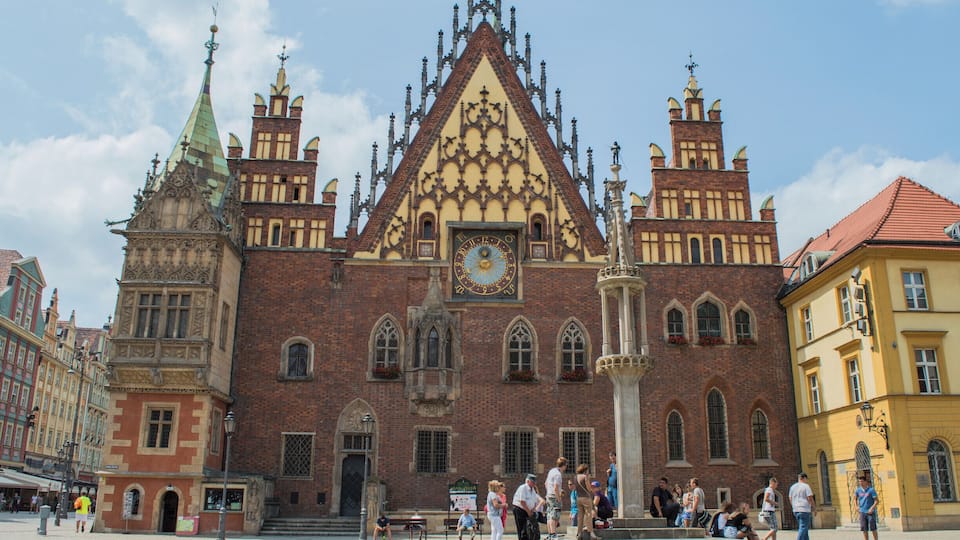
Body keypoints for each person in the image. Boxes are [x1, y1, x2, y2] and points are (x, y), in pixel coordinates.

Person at [573, 464, 599, 540]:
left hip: (578, 498)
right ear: (585, 470)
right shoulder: (585, 477)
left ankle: (579, 533)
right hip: (586, 498)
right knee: (588, 515)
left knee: (580, 516)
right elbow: (589, 488)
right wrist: (588, 479)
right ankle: (591, 533)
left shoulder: (575, 477)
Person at [545, 457, 568, 540]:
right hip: (554, 496)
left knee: (549, 514)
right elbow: (555, 487)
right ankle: (554, 534)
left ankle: (550, 534)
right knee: (554, 516)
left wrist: (549, 492)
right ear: (564, 465)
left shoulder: (552, 471)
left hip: (549, 496)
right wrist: (558, 498)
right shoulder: (558, 474)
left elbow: (546, 484)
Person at [514, 474, 541, 540]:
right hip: (520, 510)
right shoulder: (523, 488)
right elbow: (522, 502)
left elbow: (534, 502)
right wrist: (529, 512)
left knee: (529, 529)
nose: (534, 483)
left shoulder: (533, 490)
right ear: (528, 481)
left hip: (528, 511)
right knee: (522, 530)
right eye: (532, 482)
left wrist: (533, 510)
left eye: (535, 482)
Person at [788, 473, 815, 540]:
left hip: (796, 509)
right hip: (804, 509)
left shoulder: (792, 487)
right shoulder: (806, 486)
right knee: (803, 527)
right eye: (806, 479)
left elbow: (790, 498)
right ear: (804, 478)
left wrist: (793, 506)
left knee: (804, 528)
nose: (806, 480)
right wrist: (814, 507)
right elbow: (810, 497)